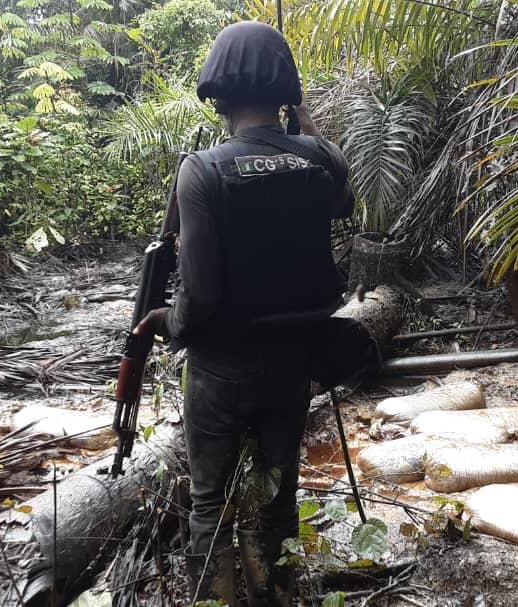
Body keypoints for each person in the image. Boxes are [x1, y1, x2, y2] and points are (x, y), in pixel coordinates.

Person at [133, 20, 354, 607]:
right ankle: (276, 596)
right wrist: (304, 124)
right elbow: (339, 195)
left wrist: (166, 323)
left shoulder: (202, 171)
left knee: (210, 502)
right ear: (287, 92)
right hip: (293, 361)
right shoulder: (321, 159)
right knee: (279, 498)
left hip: (221, 368)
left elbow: (200, 297)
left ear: (217, 95)